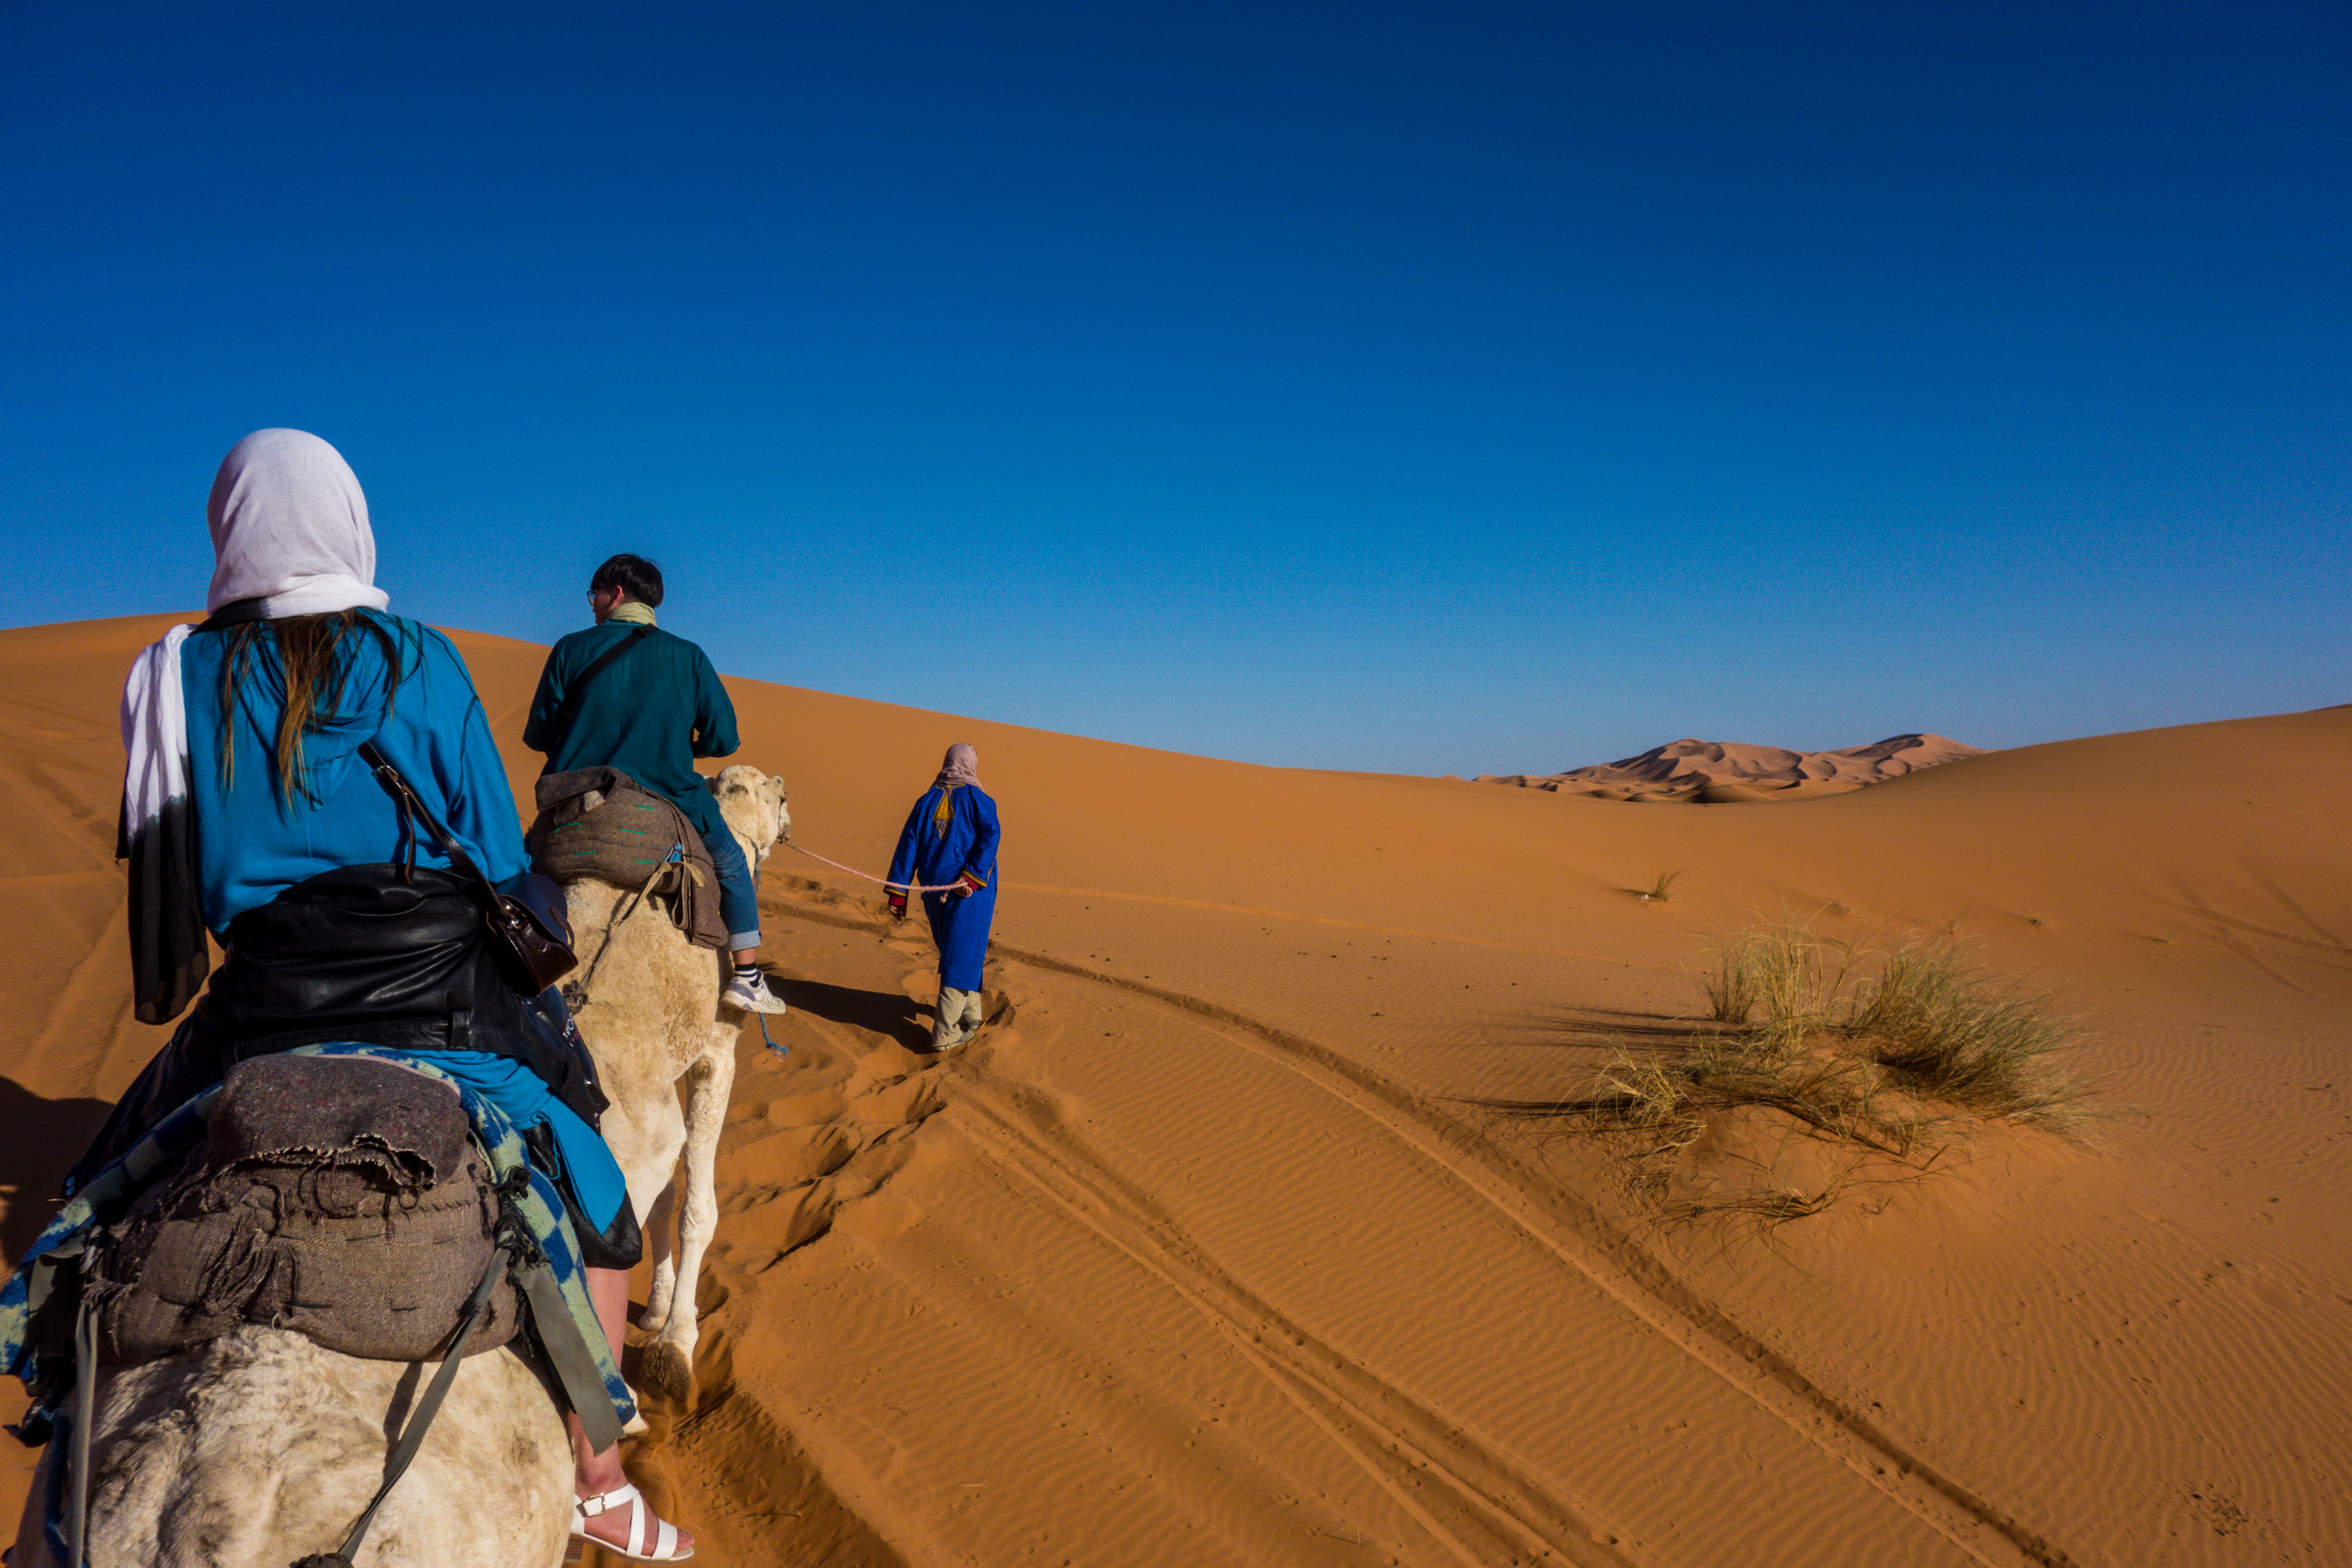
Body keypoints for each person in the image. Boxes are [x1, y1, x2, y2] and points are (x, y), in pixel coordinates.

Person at [97, 430, 691, 1562]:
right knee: (593, 1191)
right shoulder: (418, 654)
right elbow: (492, 845)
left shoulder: (170, 676)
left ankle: (53, 1391)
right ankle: (598, 1477)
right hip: (445, 1004)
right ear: (350, 521)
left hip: (260, 1008)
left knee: (99, 1192)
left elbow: (173, 880)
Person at [524, 554, 786, 1016]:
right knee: (731, 865)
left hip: (576, 797)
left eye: (594, 594)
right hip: (670, 794)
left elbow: (540, 735)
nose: (592, 604)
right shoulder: (688, 656)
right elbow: (725, 739)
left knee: (515, 865)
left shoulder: (570, 648)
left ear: (615, 593)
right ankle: (746, 975)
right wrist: (677, 747)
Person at [885, 743, 1001, 1049]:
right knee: (960, 955)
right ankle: (945, 1034)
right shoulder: (978, 798)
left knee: (958, 951)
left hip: (933, 890)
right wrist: (972, 876)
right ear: (971, 764)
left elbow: (908, 846)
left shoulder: (925, 801)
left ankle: (971, 1016)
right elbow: (992, 834)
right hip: (967, 891)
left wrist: (898, 892)